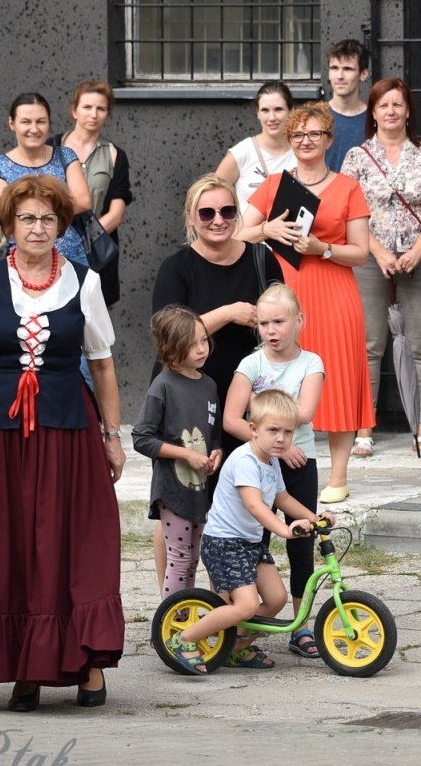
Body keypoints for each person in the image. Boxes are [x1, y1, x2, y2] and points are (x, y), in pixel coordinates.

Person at [0, 175, 125, 711]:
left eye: (46, 219)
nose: (37, 228)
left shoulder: (84, 280)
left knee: (72, 540)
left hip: (67, 429)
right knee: (9, 545)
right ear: (8, 227)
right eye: (26, 219)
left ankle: (84, 662)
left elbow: (103, 365)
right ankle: (25, 667)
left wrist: (112, 436)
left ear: (61, 226)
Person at [239, 102, 373, 503]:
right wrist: (267, 227)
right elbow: (239, 234)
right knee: (281, 377)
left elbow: (361, 252)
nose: (306, 141)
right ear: (289, 140)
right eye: (298, 134)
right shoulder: (275, 184)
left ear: (329, 139)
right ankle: (277, 463)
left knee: (339, 376)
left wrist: (322, 248)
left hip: (334, 290)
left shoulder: (348, 187)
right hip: (285, 290)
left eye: (315, 134)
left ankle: (339, 475)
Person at [167, 389, 318, 676]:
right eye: (273, 430)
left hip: (248, 544)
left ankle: (236, 645)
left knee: (276, 599)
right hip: (225, 544)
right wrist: (285, 530)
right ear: (253, 429)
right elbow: (255, 505)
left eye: (288, 432)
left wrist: (315, 517)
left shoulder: (272, 461)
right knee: (246, 605)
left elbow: (281, 499)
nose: (281, 438)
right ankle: (184, 639)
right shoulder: (245, 461)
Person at [341, 78, 421, 457]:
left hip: (420, 261)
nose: (391, 111)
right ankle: (364, 432)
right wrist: (380, 253)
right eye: (383, 105)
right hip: (369, 261)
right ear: (372, 112)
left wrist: (418, 251)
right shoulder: (356, 156)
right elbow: (347, 212)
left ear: (408, 111)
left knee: (420, 347)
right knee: (370, 346)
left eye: (398, 105)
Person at [151, 174, 286, 466]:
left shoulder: (261, 258)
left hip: (249, 402)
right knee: (190, 500)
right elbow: (168, 336)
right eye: (206, 213)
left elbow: (283, 321)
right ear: (190, 217)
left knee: (252, 498)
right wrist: (229, 313)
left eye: (227, 211)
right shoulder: (176, 268)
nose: (218, 220)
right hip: (187, 402)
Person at [223, 283, 324, 660]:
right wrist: (274, 446)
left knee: (302, 544)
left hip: (300, 462)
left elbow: (308, 411)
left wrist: (277, 435)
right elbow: (233, 418)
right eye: (264, 323)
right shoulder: (251, 364)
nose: (272, 331)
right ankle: (247, 621)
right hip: (262, 465)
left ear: (299, 320)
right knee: (255, 543)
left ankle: (301, 626)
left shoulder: (310, 363)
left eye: (279, 321)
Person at [132, 305, 221, 598]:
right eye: (191, 344)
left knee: (193, 560)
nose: (201, 349)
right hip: (171, 490)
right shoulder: (163, 385)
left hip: (199, 490)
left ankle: (185, 620)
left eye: (203, 340)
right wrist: (186, 455)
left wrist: (216, 452)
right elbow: (141, 437)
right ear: (170, 348)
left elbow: (214, 432)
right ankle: (171, 627)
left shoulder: (209, 385)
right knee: (180, 558)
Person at [0, 93, 93, 266]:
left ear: (49, 123)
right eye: (26, 122)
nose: (34, 129)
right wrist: (56, 207)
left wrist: (27, 211)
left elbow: (83, 200)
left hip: (72, 256)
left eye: (41, 121)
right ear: (12, 123)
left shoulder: (65, 156)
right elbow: (6, 211)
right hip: (24, 258)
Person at [55, 80, 135, 306]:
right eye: (87, 107)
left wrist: (81, 245)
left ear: (108, 114)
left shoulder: (115, 155)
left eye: (101, 108)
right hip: (51, 246)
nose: (94, 114)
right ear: (74, 110)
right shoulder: (53, 148)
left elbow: (117, 214)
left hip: (95, 252)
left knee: (93, 326)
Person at [216, 82, 297, 210]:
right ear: (257, 113)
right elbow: (211, 197)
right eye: (265, 110)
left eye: (278, 109)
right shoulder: (242, 153)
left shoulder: (302, 151)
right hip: (246, 229)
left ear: (291, 111)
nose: (272, 118)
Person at [324, 39, 371, 174]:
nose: (339, 76)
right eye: (334, 68)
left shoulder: (376, 120)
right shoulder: (315, 117)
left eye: (347, 69)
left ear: (363, 74)